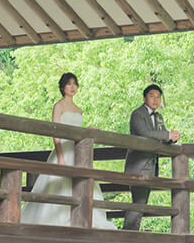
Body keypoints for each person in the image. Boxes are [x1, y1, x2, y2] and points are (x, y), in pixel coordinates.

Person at [19, 72, 116, 229]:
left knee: (82, 184)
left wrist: (87, 130)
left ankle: (82, 220)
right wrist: (61, 157)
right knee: (58, 186)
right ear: (63, 87)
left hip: (77, 152)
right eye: (69, 84)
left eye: (75, 84)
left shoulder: (79, 110)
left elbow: (76, 131)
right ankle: (55, 222)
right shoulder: (59, 106)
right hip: (63, 150)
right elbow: (56, 133)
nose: (72, 87)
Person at [122, 83, 180, 231]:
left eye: (158, 97)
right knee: (139, 202)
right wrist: (167, 135)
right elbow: (144, 133)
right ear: (144, 98)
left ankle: (131, 233)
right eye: (151, 96)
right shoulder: (137, 114)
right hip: (138, 166)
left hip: (150, 166)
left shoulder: (159, 116)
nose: (155, 100)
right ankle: (128, 234)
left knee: (141, 203)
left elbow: (162, 134)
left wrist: (172, 138)